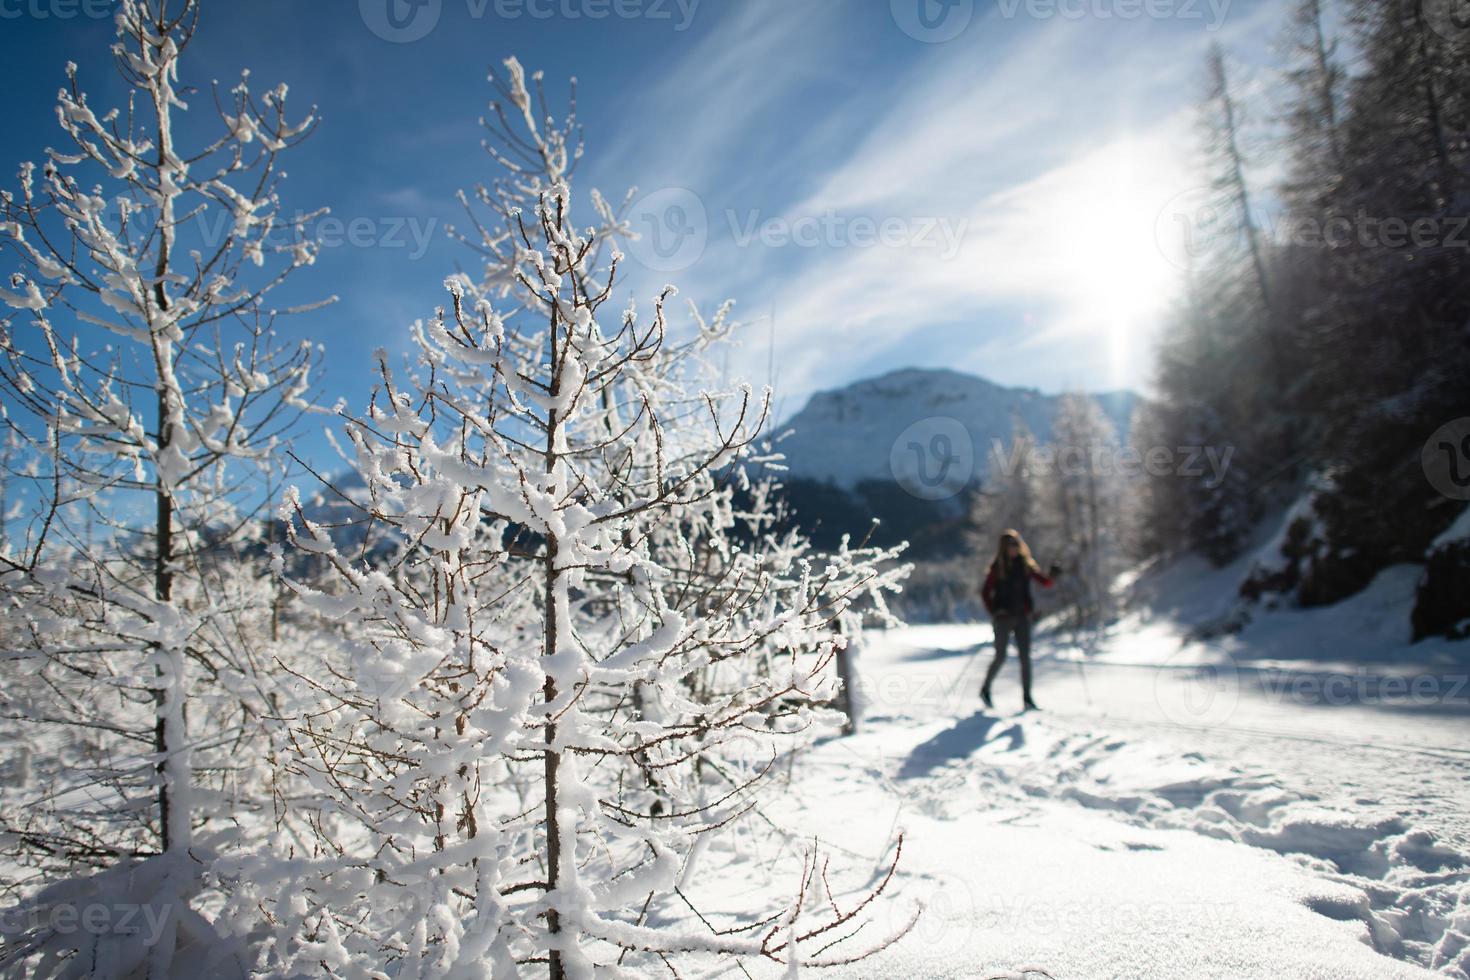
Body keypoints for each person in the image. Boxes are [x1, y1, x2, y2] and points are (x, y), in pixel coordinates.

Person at [979, 529, 1062, 711]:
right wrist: (994, 610)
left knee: (1025, 658)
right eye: (1011, 545)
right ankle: (985, 688)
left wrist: (1053, 574)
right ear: (1004, 548)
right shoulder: (997, 567)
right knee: (1000, 656)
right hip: (1003, 618)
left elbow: (1045, 582)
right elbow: (985, 592)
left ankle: (1027, 698)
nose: (1014, 548)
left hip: (1022, 616)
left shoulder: (1025, 565)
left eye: (1016, 544)